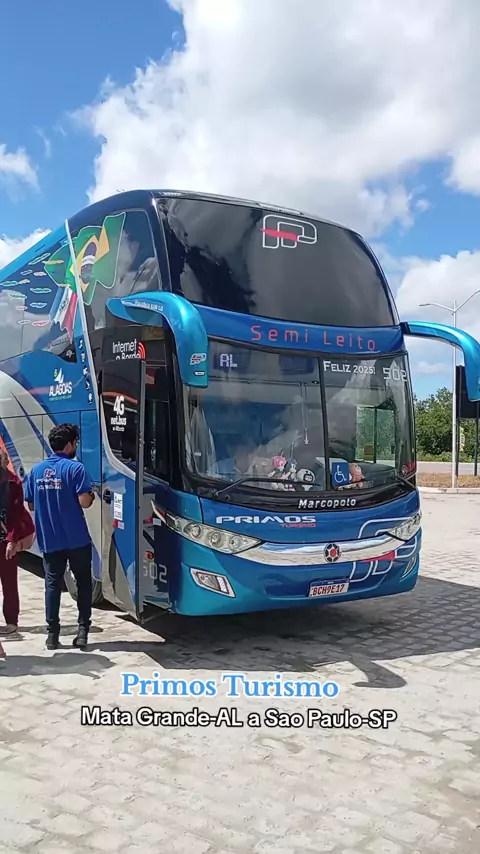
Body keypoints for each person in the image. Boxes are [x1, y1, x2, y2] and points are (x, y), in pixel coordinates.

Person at [25, 424, 95, 651]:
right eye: (76, 443)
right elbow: (85, 502)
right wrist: (91, 495)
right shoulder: (76, 469)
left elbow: (31, 505)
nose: (76, 447)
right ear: (69, 444)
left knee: (53, 585)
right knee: (83, 583)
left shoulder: (36, 471)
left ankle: (52, 635)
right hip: (76, 539)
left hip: (50, 539)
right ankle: (82, 631)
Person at [0, 450, 36, 648]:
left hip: (5, 539)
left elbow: (15, 513)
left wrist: (12, 540)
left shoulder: (13, 483)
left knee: (9, 582)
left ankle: (11, 621)